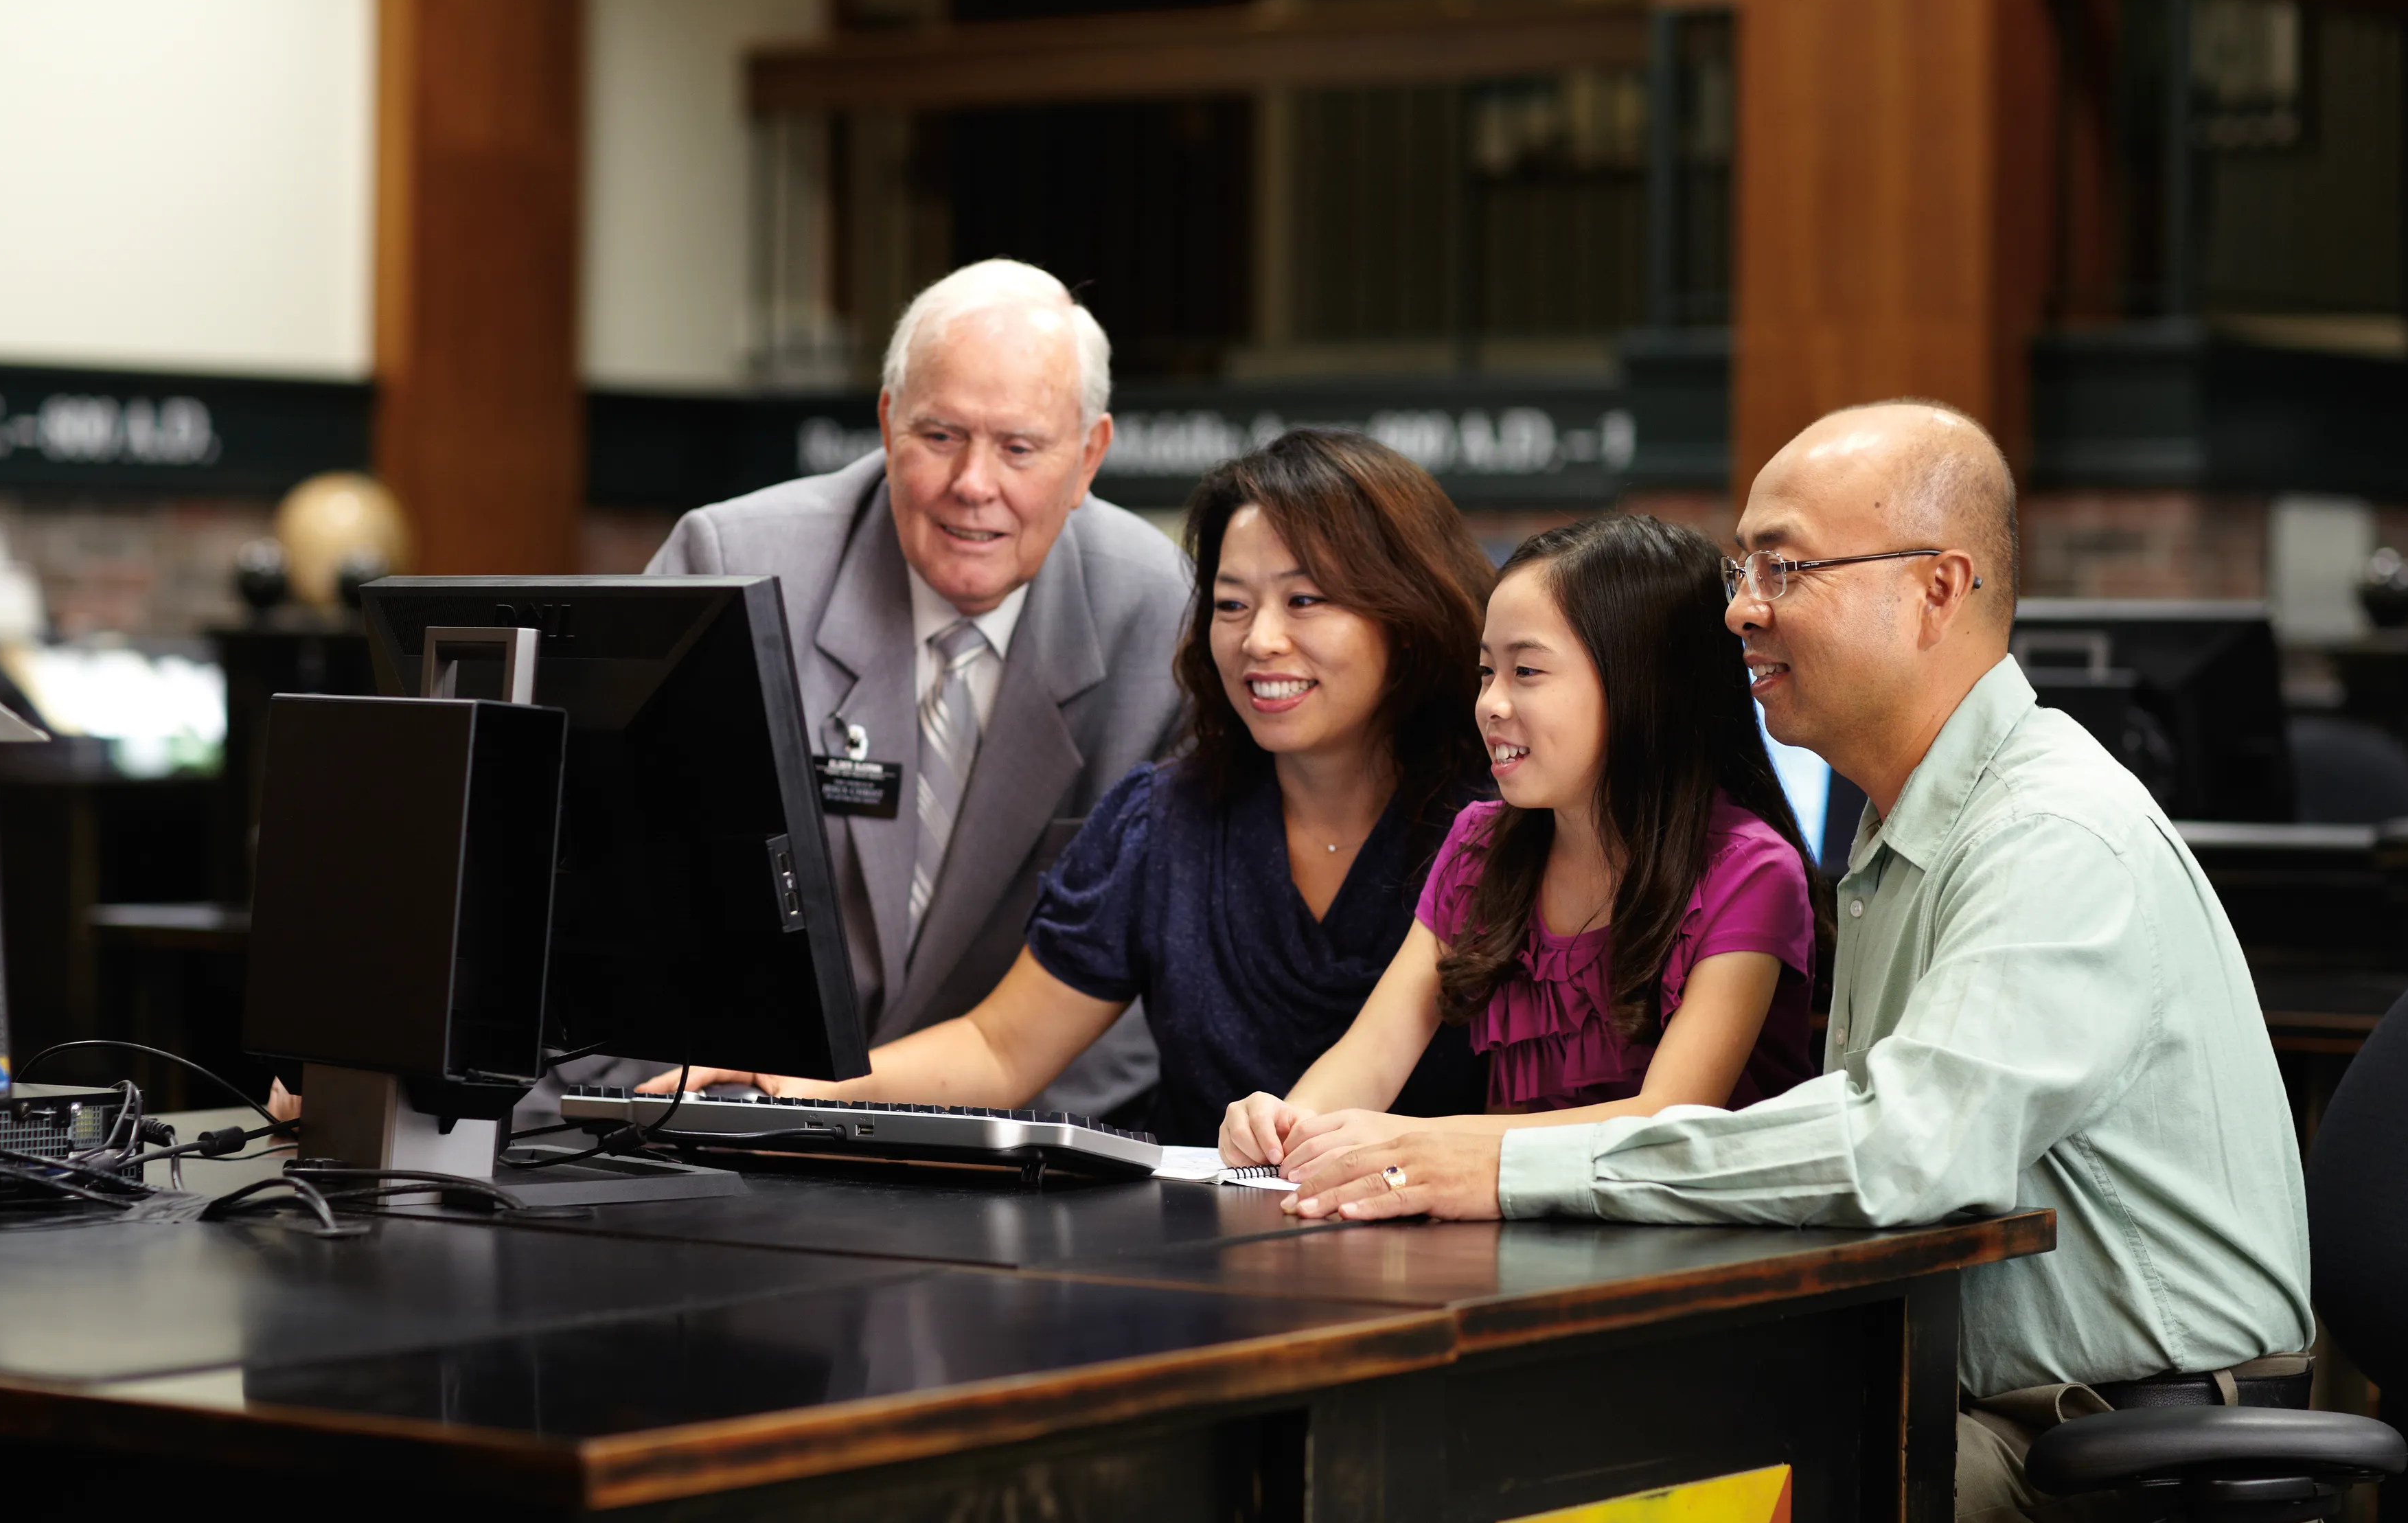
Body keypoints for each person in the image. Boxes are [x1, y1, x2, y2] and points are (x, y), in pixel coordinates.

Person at [1281, 401, 2315, 1523]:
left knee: (1588, 1518)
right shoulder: (1906, 829)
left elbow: (1904, 1149)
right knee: (1517, 1480)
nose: (1740, 609)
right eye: (1742, 568)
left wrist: (1509, 1163)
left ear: (1937, 590)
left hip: (2097, 1457)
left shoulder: (2050, 835)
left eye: (1784, 567)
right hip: (1968, 1406)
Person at [652, 428, 1497, 1145]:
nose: (1259, 641)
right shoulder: (1164, 819)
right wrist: (802, 1082)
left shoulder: (1498, 823)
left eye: (1305, 600)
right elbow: (1001, 1048)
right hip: (1208, 1262)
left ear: (1408, 616)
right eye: (1232, 605)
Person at [640, 258, 1186, 1118]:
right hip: (744, 1118)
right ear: (889, 422)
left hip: (1025, 1150)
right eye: (940, 436)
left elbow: (1143, 987)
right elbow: (632, 886)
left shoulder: (1164, 617)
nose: (973, 484)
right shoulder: (731, 567)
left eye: (1018, 447)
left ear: (1088, 457)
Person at [1219, 513, 1824, 1176]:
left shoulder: (1751, 870)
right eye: (1486, 672)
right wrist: (1284, 1129)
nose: (1492, 705)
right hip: (1523, 1239)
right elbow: (1371, 1056)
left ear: (1645, 687)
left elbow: (1668, 1121)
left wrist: (1423, 1141)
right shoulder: (1481, 843)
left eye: (1527, 671)